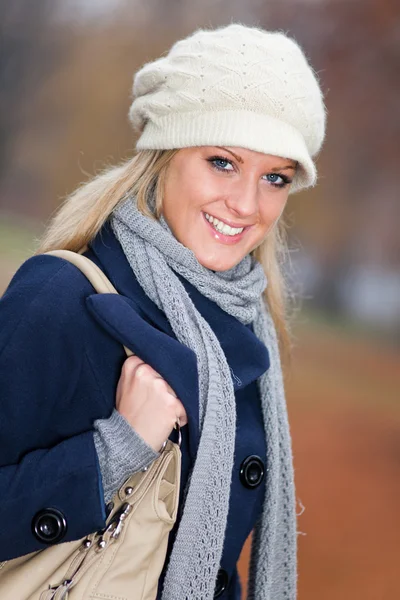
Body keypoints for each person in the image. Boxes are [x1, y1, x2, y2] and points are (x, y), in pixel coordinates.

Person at [0, 23, 326, 600]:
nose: (247, 204)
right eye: (223, 162)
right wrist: (115, 450)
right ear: (167, 154)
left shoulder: (243, 323)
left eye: (274, 177)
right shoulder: (61, 298)